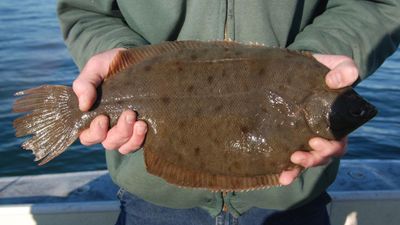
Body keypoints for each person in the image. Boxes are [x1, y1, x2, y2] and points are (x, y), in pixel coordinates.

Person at [57, 1, 400, 224]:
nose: (361, 111)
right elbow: (86, 10)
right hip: (154, 200)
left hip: (291, 202)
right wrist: (118, 62)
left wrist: (316, 58)